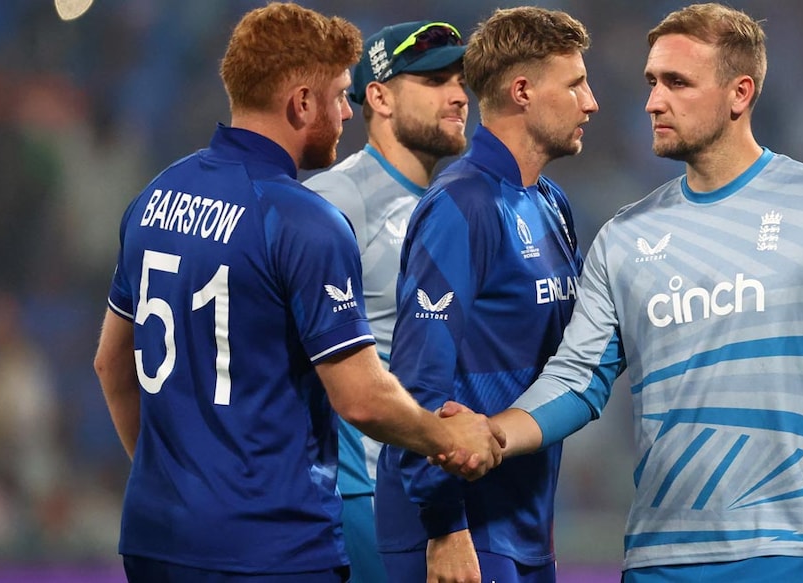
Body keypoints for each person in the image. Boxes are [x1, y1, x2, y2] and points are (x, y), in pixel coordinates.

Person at [489, 4, 803, 583]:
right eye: (651, 82)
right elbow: (576, 378)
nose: (653, 100)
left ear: (739, 93)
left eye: (677, 82)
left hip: (795, 549)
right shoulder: (624, 237)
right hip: (661, 558)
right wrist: (494, 434)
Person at [91, 4, 503, 582]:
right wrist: (449, 436)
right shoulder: (304, 218)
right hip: (271, 545)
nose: (344, 112)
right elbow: (359, 398)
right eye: (338, 96)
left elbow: (111, 363)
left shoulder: (155, 195)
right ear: (301, 103)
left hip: (157, 537)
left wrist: (171, 485)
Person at [373, 6, 598, 583]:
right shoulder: (462, 205)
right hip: (457, 532)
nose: (591, 102)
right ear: (522, 91)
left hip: (524, 524)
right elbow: (419, 382)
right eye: (574, 84)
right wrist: (444, 527)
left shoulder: (551, 203)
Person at [303, 19, 469, 583]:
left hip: (436, 494)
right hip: (368, 499)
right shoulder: (335, 200)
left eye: (459, 79)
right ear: (379, 97)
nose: (457, 95)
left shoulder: (446, 204)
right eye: (433, 80)